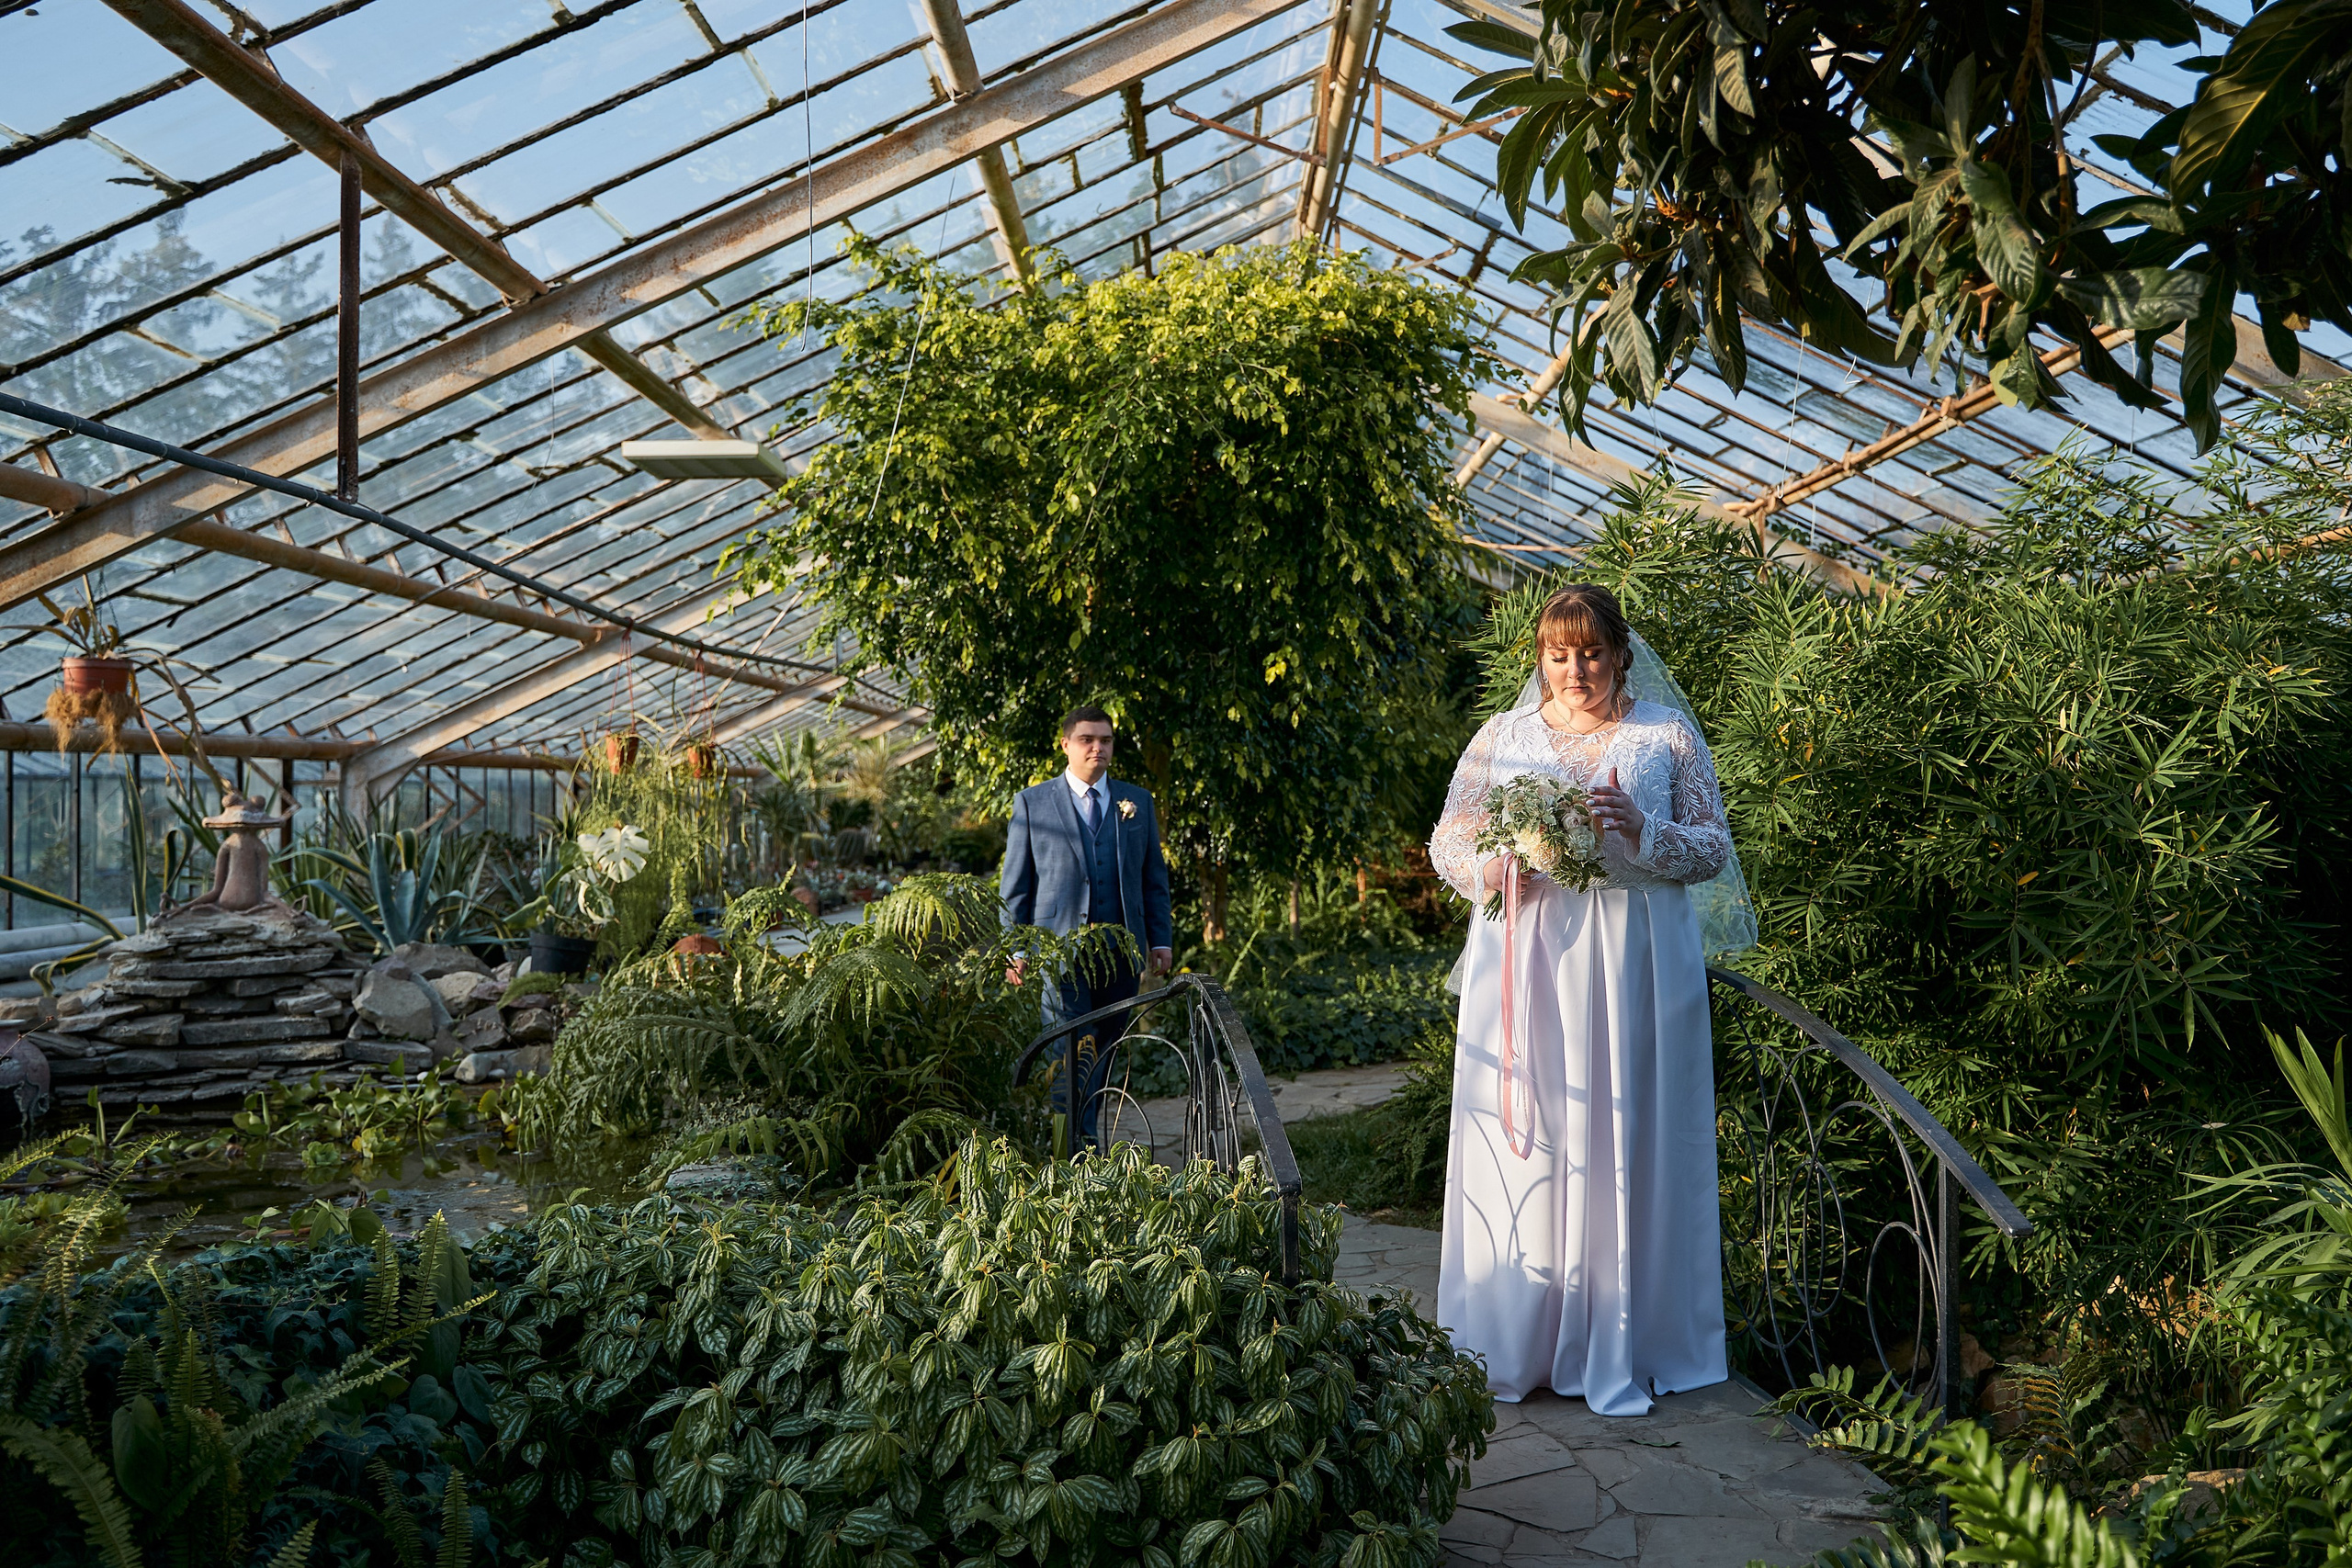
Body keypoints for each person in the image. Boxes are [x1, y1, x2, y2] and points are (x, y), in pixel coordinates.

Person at [1427, 584, 1743, 1416]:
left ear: (1620, 653)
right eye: (1559, 655)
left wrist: (1644, 831)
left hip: (1633, 962)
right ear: (1541, 658)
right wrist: (1497, 866)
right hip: (1526, 959)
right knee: (1538, 1138)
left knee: (1624, 1131)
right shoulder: (1504, 736)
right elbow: (1450, 838)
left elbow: (1713, 850)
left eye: (1592, 653)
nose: (1576, 671)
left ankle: (1624, 1333)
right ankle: (1516, 1329)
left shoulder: (1664, 734)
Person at [999, 705, 1174, 1139]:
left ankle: (1083, 1139)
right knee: (1068, 1052)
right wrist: (1014, 950)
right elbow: (1016, 888)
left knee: (1106, 1051)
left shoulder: (1138, 803)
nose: (1098, 747)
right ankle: (1076, 1153)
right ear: (1066, 745)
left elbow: (1153, 879)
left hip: (1121, 955)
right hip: (1058, 955)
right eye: (1087, 740)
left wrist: (1160, 940)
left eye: (1106, 740)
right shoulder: (1032, 802)